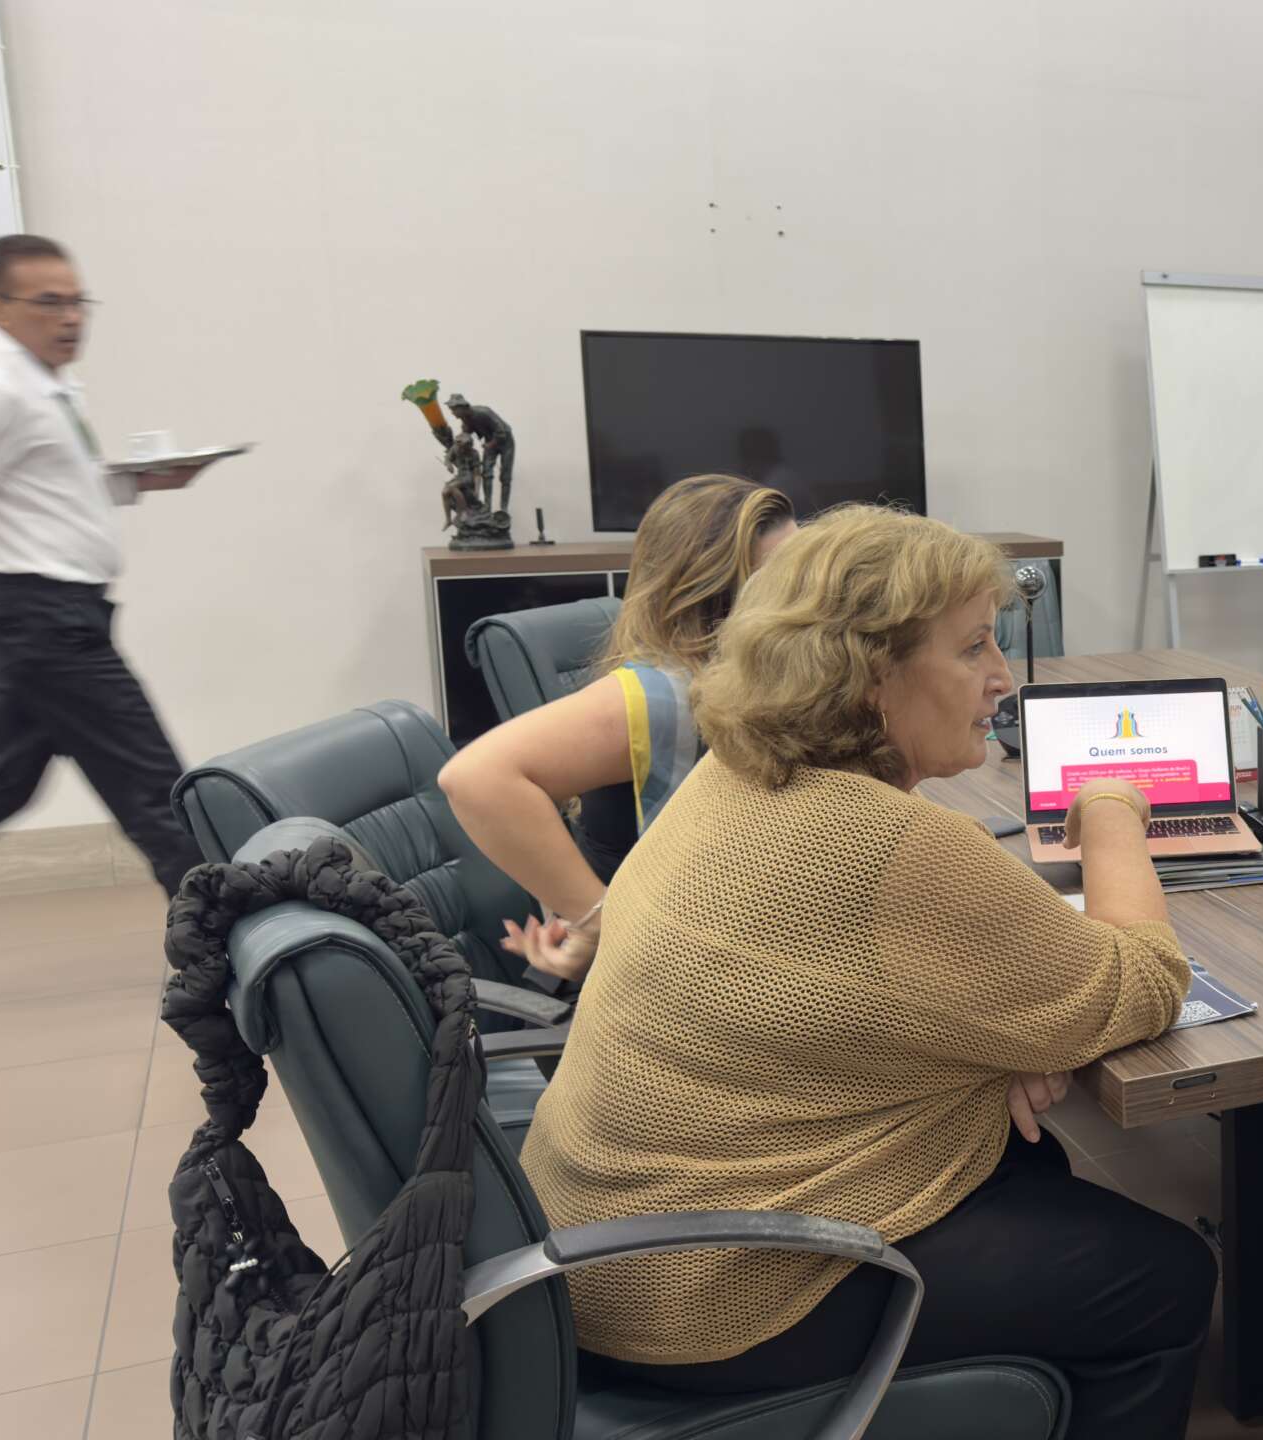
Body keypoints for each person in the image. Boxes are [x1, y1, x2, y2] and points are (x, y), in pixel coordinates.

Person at [519, 507, 1215, 1439]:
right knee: (1164, 1278)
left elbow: (846, 997)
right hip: (710, 1295)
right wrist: (1112, 807)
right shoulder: (884, 840)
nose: (1002, 678)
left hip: (590, 1249)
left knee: (1033, 1161)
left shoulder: (731, 776)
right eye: (973, 649)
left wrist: (1000, 1045)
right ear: (869, 675)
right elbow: (1143, 980)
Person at [437, 473, 795, 987]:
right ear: (714, 594)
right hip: (646, 999)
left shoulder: (755, 681)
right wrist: (600, 924)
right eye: (783, 578)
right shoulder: (661, 694)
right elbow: (474, 778)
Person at [0, 234, 215, 896]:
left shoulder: (43, 383)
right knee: (160, 797)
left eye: (78, 301)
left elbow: (43, 489)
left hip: (52, 618)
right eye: (49, 303)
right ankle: (240, 958)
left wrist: (134, 482)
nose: (71, 318)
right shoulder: (3, 387)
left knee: (4, 784)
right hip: (47, 625)